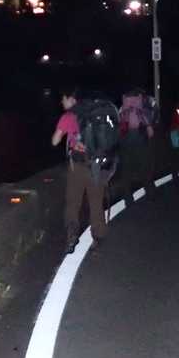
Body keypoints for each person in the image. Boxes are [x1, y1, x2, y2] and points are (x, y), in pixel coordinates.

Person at [52, 87, 111, 254]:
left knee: (73, 202)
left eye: (63, 99)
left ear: (72, 99)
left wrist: (68, 135)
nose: (62, 102)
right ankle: (98, 237)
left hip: (77, 166)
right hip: (95, 165)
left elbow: (55, 141)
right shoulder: (97, 115)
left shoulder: (68, 116)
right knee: (95, 202)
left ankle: (71, 235)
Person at [118, 86, 156, 194]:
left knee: (126, 166)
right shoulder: (140, 103)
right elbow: (147, 117)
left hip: (126, 137)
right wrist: (149, 127)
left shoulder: (124, 105)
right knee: (144, 164)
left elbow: (119, 120)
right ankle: (149, 190)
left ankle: (128, 195)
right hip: (139, 135)